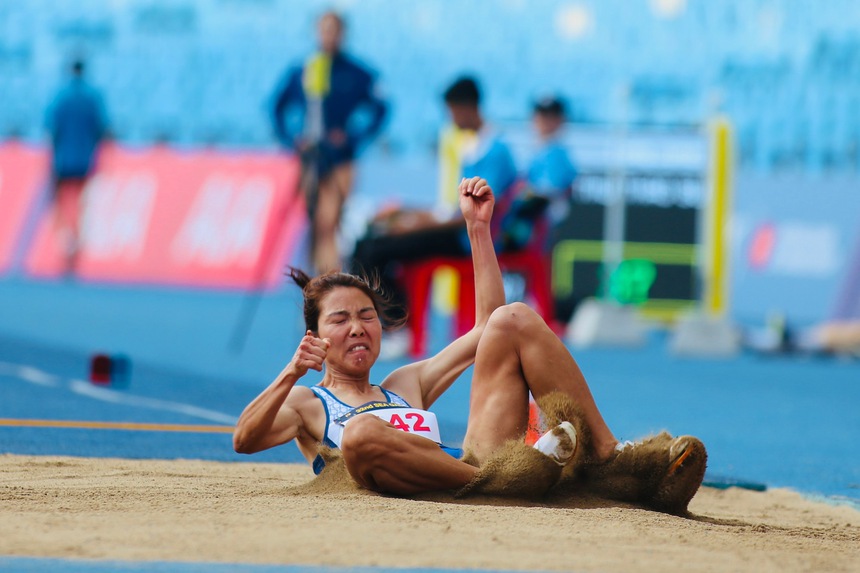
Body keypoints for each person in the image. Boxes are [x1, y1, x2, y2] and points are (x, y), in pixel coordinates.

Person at [234, 176, 707, 514]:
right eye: (341, 320)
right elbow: (244, 440)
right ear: (315, 338)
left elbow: (486, 327)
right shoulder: (309, 403)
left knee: (513, 318)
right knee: (359, 436)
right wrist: (291, 372)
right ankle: (510, 479)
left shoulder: (404, 383)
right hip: (452, 483)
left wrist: (478, 231)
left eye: (367, 317)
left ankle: (609, 461)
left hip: (470, 472)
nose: (358, 328)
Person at [348, 77, 520, 319]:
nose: (451, 120)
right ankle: (371, 317)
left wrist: (414, 225)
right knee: (368, 241)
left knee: (377, 249)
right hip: (457, 229)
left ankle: (396, 322)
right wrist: (405, 213)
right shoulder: (473, 148)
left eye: (452, 113)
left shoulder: (496, 152)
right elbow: (452, 209)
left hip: (470, 238)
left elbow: (474, 216)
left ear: (466, 108)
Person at [271, 10, 387, 273]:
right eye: (324, 29)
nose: (329, 36)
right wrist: (292, 140)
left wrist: (354, 136)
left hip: (341, 158)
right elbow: (276, 107)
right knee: (314, 223)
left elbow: (380, 109)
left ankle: (329, 284)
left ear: (343, 34)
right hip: (310, 157)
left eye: (334, 30)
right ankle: (315, 290)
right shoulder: (303, 70)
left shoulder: (358, 73)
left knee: (329, 221)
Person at [45, 58, 108, 275]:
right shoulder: (93, 98)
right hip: (85, 161)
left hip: (63, 160)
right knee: (81, 206)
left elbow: (52, 129)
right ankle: (76, 246)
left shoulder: (61, 97)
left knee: (60, 205)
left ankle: (66, 242)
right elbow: (102, 129)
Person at [525, 95, 578, 226]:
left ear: (561, 120)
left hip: (542, 226)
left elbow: (544, 194)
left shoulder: (556, 154)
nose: (545, 121)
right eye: (542, 115)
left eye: (551, 116)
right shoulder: (540, 150)